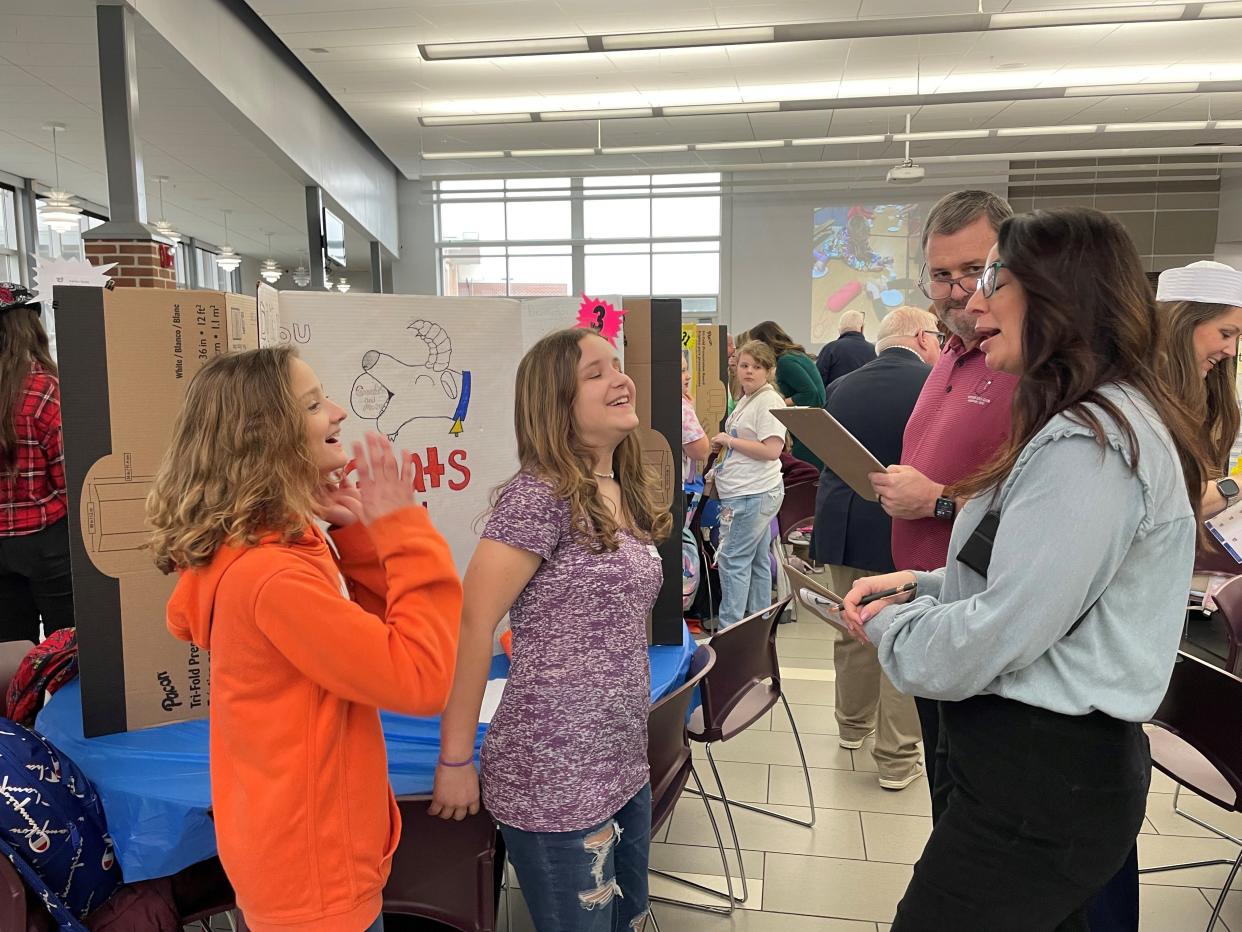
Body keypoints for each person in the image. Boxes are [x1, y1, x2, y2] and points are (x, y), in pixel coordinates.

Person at [840, 208, 1209, 931]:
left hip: (1045, 778)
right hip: (1036, 770)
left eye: (993, 282)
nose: (973, 304)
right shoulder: (1077, 423)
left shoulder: (1091, 445)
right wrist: (918, 585)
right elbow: (1031, 578)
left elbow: (1005, 627)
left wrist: (890, 629)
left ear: (1059, 296)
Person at [147, 346, 462, 932]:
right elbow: (420, 679)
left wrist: (361, 538)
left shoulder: (271, 552)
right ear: (267, 437)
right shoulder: (273, 578)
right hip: (313, 877)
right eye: (314, 404)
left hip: (297, 857)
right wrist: (403, 527)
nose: (338, 412)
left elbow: (363, 648)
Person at [429, 329, 670, 932]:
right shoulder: (539, 497)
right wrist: (456, 758)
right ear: (556, 405)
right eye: (596, 373)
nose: (621, 379)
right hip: (552, 773)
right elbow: (473, 622)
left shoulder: (618, 490)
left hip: (620, 761)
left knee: (629, 923)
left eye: (617, 366)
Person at [868, 189, 1015, 819]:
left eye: (975, 273)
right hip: (929, 600)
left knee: (978, 810)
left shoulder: (1024, 364)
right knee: (945, 789)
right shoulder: (947, 356)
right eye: (941, 274)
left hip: (982, 624)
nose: (957, 292)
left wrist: (939, 504)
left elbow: (1043, 505)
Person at [811, 306, 941, 791]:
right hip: (903, 527)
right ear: (923, 338)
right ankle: (896, 757)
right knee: (900, 634)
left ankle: (851, 726)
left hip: (842, 524)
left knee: (852, 628)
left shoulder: (842, 386)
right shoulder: (931, 386)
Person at [0, 282, 73, 644]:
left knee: (11, 649)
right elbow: (67, 478)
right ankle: (65, 702)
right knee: (66, 643)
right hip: (46, 540)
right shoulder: (46, 389)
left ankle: (17, 704)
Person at [709, 340, 787, 628]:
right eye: (744, 365)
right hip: (748, 492)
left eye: (757, 366)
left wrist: (728, 440)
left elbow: (771, 450)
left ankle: (731, 630)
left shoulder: (767, 401)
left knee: (732, 560)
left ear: (769, 370)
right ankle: (757, 626)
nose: (749, 371)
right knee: (755, 560)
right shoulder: (748, 398)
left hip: (753, 493)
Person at [1157, 260, 1242, 517]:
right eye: (1226, 334)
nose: (1231, 351)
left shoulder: (1206, 396)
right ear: (1182, 323)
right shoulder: (1131, 402)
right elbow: (1161, 504)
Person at [748, 320, 826, 469]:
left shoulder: (785, 362)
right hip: (812, 426)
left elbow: (812, 394)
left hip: (807, 430)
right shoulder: (796, 355)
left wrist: (778, 402)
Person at [815, 309, 876, 389]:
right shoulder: (875, 350)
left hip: (836, 400)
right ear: (862, 328)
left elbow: (818, 382)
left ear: (839, 329)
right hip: (867, 400)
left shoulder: (830, 348)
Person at [682, 349, 709, 485]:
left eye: (686, 370)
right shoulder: (682, 407)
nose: (688, 376)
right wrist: (690, 410)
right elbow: (701, 451)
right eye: (682, 371)